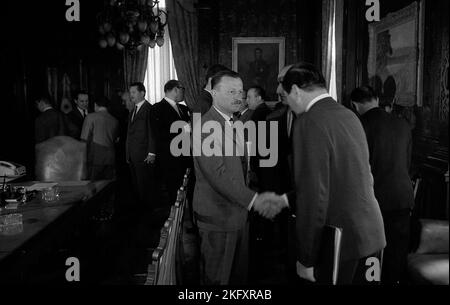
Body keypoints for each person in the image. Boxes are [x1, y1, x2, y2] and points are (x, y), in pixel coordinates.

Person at [280, 63, 386, 284]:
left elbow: (313, 195)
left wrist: (306, 258)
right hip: (372, 235)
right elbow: (356, 175)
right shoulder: (348, 114)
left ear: (296, 91)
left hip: (341, 242)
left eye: (286, 96)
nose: (288, 104)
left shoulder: (308, 122)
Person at [192, 70, 285, 285]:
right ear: (214, 94)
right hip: (219, 219)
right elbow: (219, 175)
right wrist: (254, 199)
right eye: (231, 91)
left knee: (236, 278)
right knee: (218, 280)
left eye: (240, 91)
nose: (238, 96)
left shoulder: (229, 121)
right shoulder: (207, 126)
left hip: (235, 215)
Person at [351, 85, 414, 284]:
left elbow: (357, 169)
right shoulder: (402, 124)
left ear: (355, 104)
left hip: (373, 200)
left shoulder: (358, 124)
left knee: (372, 254)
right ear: (377, 99)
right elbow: (408, 163)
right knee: (397, 253)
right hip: (402, 197)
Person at [151, 80, 191, 207]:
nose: (184, 92)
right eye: (182, 89)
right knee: (173, 193)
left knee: (185, 189)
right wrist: (183, 129)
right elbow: (159, 134)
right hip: (169, 158)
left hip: (185, 157)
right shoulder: (157, 109)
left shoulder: (184, 109)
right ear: (175, 90)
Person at [126, 82, 156, 210]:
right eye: (130, 92)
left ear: (142, 93)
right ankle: (141, 213)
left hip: (144, 155)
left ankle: (147, 214)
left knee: (145, 187)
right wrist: (127, 153)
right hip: (133, 155)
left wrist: (151, 153)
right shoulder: (133, 110)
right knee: (137, 186)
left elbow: (152, 132)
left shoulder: (149, 109)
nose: (131, 95)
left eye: (133, 92)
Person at [80, 96, 119, 180]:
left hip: (94, 158)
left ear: (95, 105)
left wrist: (81, 161)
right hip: (111, 158)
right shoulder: (114, 120)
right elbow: (115, 140)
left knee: (93, 187)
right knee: (108, 187)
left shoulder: (90, 117)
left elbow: (84, 139)